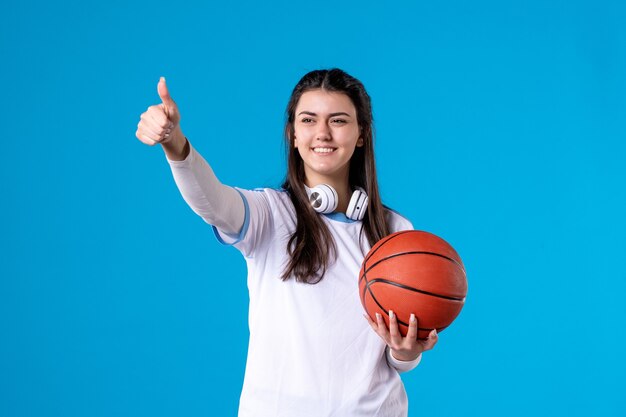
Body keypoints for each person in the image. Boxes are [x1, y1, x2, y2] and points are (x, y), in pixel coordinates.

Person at [135, 68, 438, 417]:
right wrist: (175, 143)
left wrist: (405, 350)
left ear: (361, 135)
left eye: (338, 120)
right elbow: (212, 202)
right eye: (308, 120)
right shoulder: (269, 214)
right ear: (293, 134)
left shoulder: (396, 230)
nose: (322, 132)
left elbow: (397, 357)